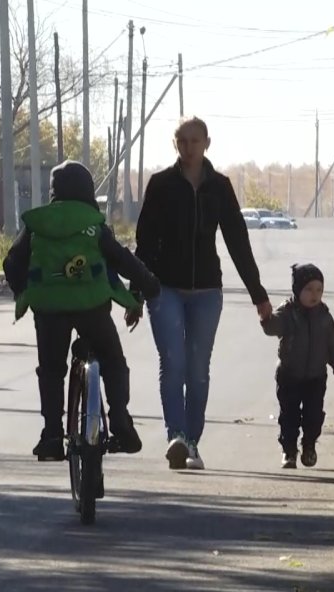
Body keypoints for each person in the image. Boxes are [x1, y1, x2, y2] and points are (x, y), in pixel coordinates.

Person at [132, 117, 272, 471]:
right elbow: (145, 243)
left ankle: (192, 442)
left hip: (207, 291)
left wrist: (259, 295)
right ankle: (176, 436)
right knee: (173, 363)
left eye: (196, 140)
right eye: (183, 140)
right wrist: (136, 293)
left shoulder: (219, 187)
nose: (190, 147)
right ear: (175, 143)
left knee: (197, 369)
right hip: (165, 288)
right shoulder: (161, 185)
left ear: (207, 143)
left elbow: (237, 241)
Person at [4, 160, 162, 461]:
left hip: (49, 311)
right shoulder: (94, 226)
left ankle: (52, 435)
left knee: (51, 370)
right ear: (89, 191)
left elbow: (12, 263)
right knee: (113, 362)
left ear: (54, 192)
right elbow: (122, 260)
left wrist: (24, 289)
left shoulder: (37, 226)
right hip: (92, 308)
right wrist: (149, 285)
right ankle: (120, 421)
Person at [261, 264, 334, 469]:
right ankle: (289, 451)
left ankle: (309, 446)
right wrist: (266, 318)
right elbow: (274, 327)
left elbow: (332, 342)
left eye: (319, 290)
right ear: (297, 290)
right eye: (308, 289)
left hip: (316, 377)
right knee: (289, 415)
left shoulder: (325, 316)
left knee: (314, 415)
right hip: (289, 374)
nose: (314, 295)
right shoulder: (288, 313)